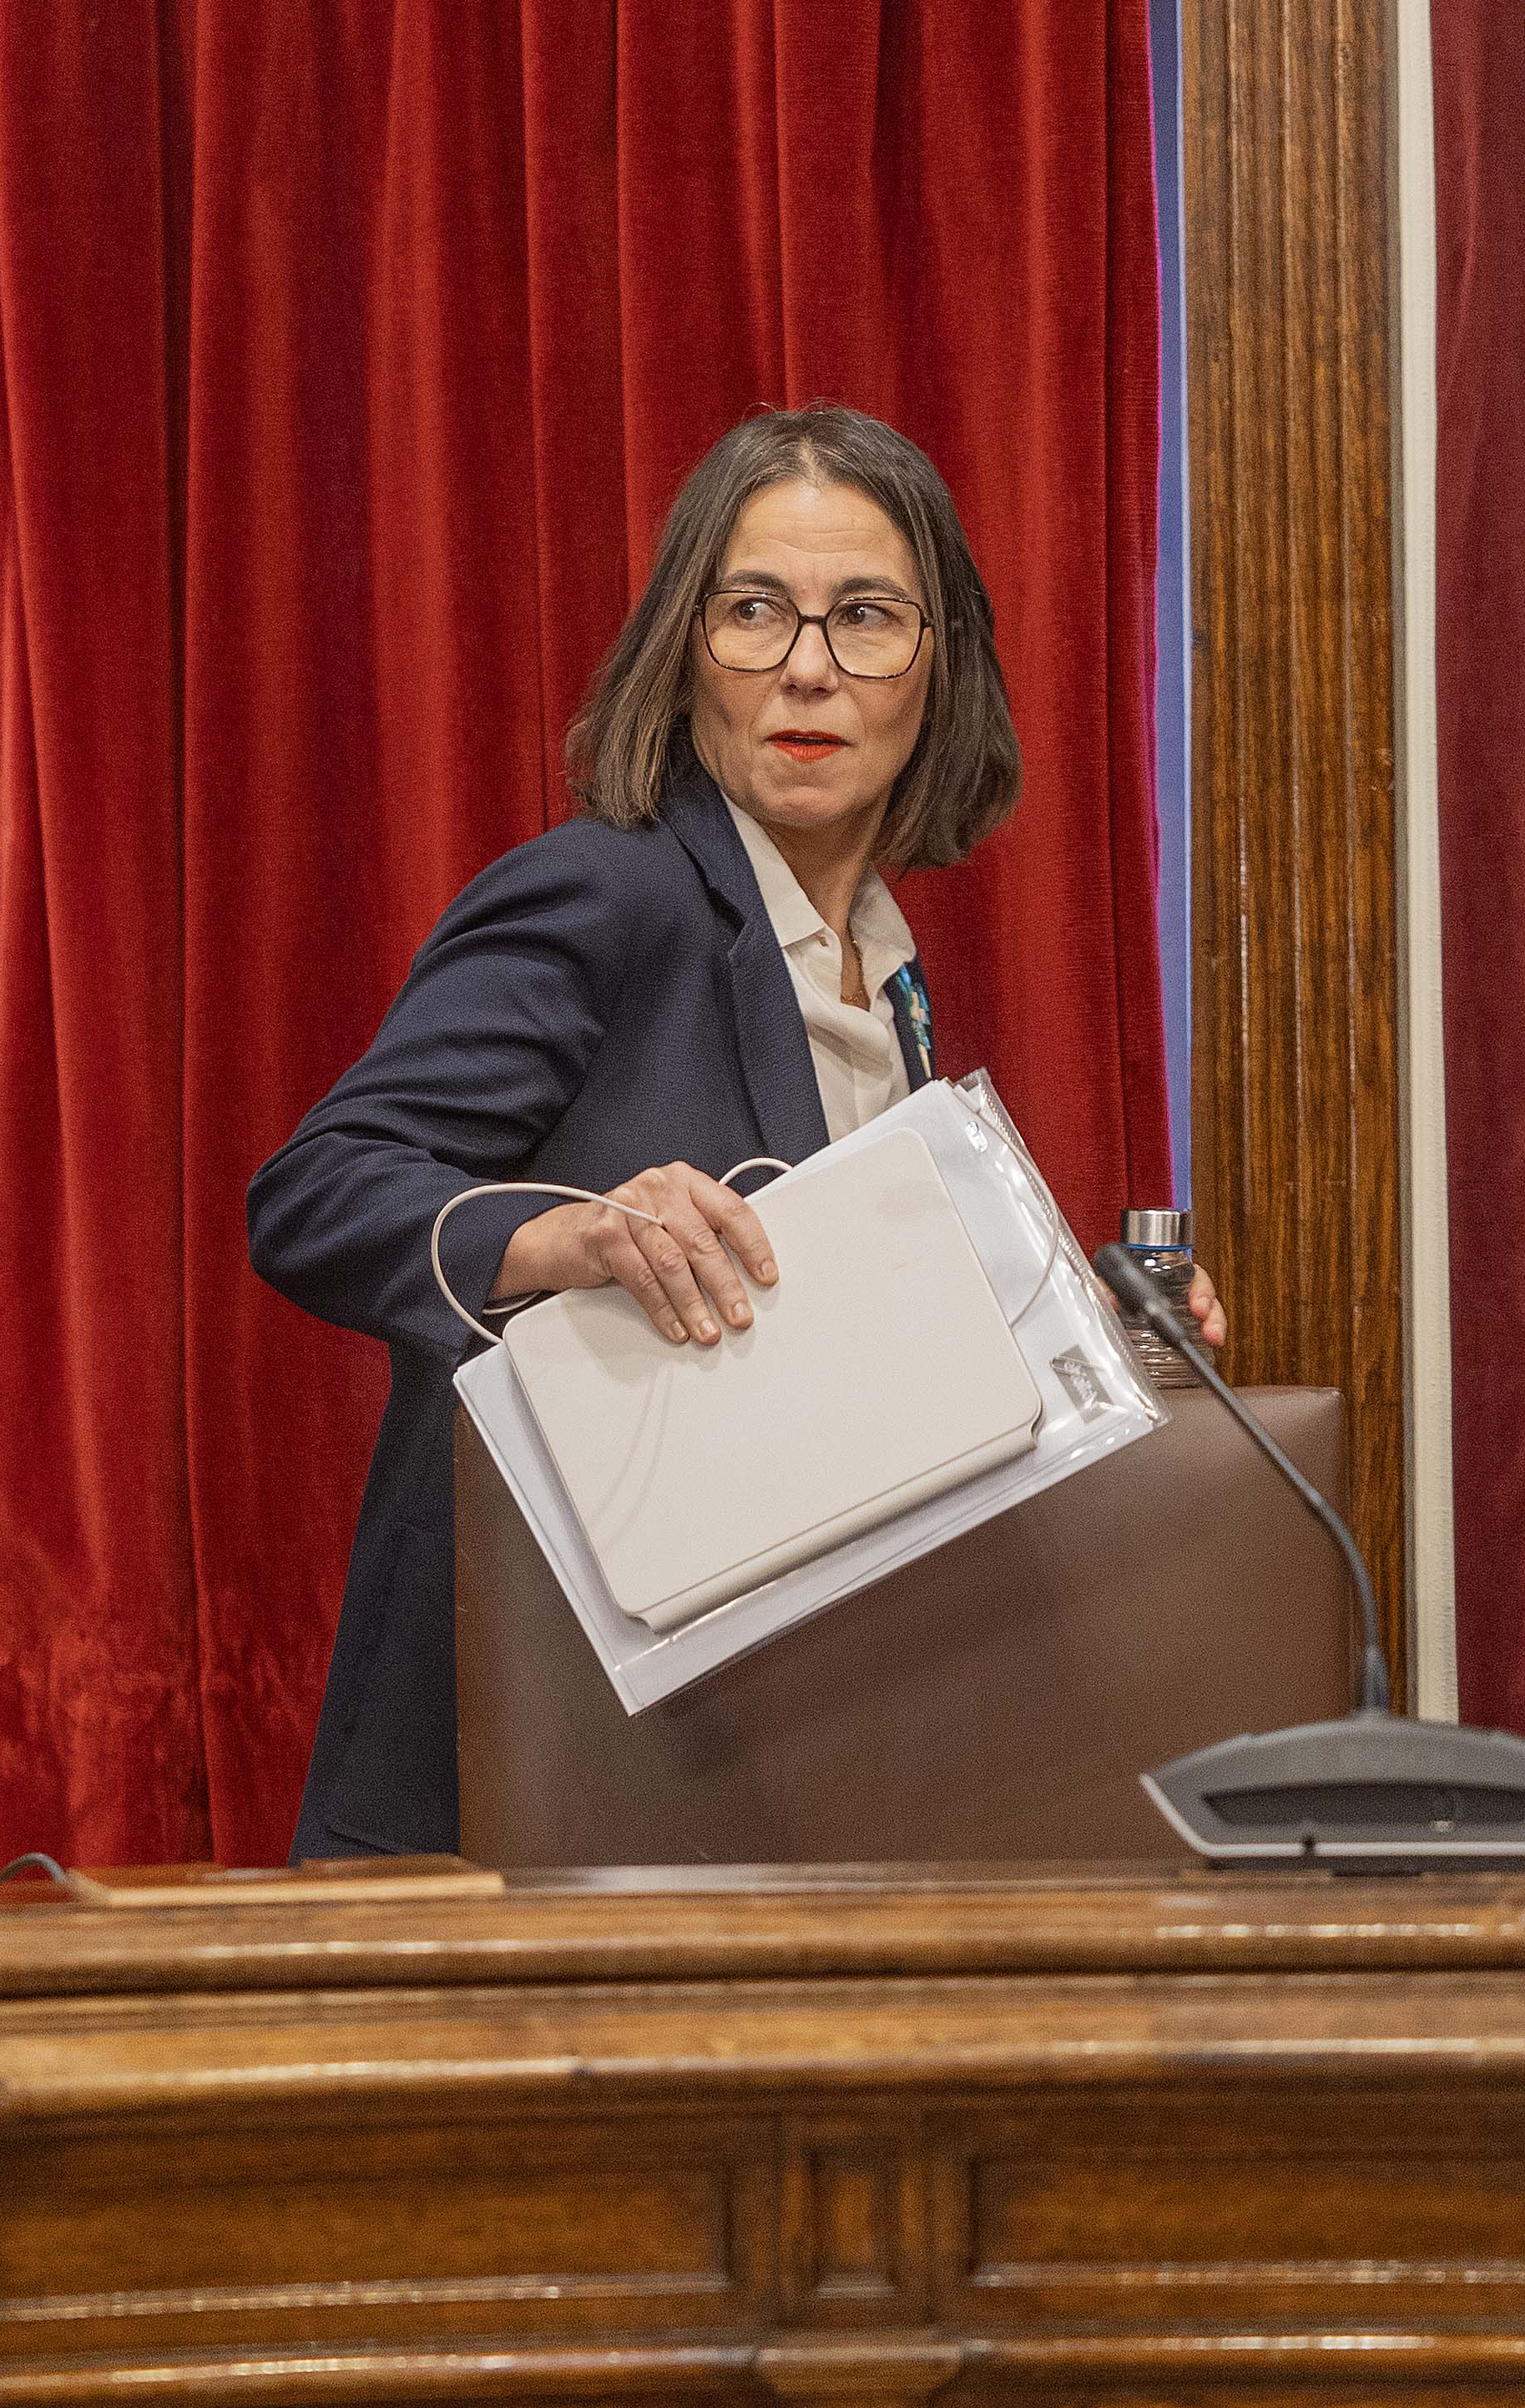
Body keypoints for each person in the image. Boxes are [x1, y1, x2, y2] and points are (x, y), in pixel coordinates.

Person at [251, 406, 1221, 1859]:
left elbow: (814, 1350)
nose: (809, 668)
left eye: (867, 618)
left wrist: (1071, 1319)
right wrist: (570, 1236)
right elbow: (316, 1196)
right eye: (754, 612)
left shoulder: (879, 975)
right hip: (517, 1791)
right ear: (684, 654)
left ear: (938, 663)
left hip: (760, 1779)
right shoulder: (610, 895)